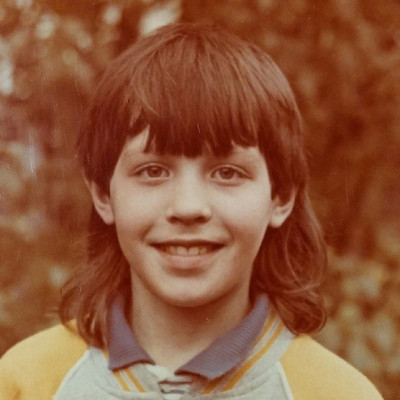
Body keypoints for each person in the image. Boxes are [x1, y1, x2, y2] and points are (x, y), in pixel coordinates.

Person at [0, 22, 383, 400]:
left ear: (280, 197)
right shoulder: (27, 383)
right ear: (103, 194)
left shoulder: (339, 394)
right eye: (153, 171)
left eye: (227, 173)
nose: (187, 207)